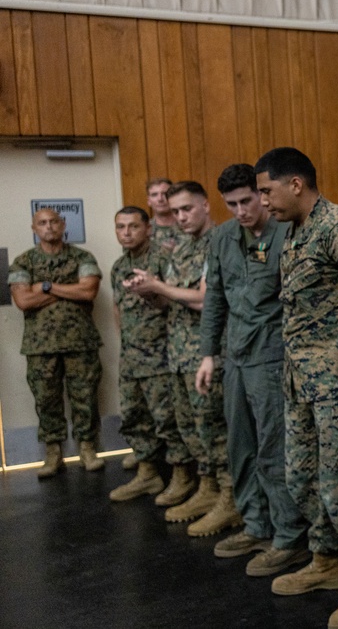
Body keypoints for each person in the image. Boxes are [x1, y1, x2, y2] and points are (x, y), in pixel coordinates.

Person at [254, 147, 338, 629]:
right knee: (301, 477)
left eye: (267, 191)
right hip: (301, 379)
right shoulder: (291, 233)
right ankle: (327, 559)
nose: (262, 202)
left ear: (296, 183)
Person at [196, 163, 310, 576]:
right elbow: (214, 301)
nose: (242, 210)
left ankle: (288, 537)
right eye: (232, 204)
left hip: (274, 355)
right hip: (236, 356)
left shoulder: (287, 232)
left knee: (274, 448)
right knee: (240, 445)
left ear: (261, 196)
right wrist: (208, 354)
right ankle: (255, 523)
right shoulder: (223, 238)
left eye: (248, 200)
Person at [128, 181, 241, 537]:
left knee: (214, 430)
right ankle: (207, 488)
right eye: (175, 211)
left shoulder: (221, 242)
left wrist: (161, 287)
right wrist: (150, 292)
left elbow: (207, 300)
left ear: (206, 206)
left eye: (186, 209)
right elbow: (172, 300)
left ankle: (230, 498)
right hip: (178, 352)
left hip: (208, 354)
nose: (180, 217)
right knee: (192, 430)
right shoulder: (180, 248)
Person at [8, 208, 106, 477]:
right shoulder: (22, 262)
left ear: (63, 225)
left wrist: (46, 287)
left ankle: (87, 448)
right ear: (34, 228)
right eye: (42, 223)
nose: (49, 227)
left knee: (85, 398)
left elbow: (88, 291)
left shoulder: (82, 257)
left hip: (81, 341)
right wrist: (68, 290)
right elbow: (23, 300)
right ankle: (54, 453)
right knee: (46, 400)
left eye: (53, 222)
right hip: (40, 346)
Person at [108, 206, 194, 503]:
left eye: (133, 226)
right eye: (121, 227)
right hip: (132, 356)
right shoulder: (120, 266)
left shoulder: (163, 259)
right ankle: (148, 475)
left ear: (148, 228)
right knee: (134, 416)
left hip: (160, 354)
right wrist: (127, 344)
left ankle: (182, 476)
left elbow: (179, 304)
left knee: (168, 419)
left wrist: (153, 292)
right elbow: (118, 308)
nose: (127, 233)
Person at [146, 177, 182, 251]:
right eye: (154, 195)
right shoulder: (143, 231)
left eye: (165, 194)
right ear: (149, 201)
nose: (160, 199)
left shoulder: (188, 225)